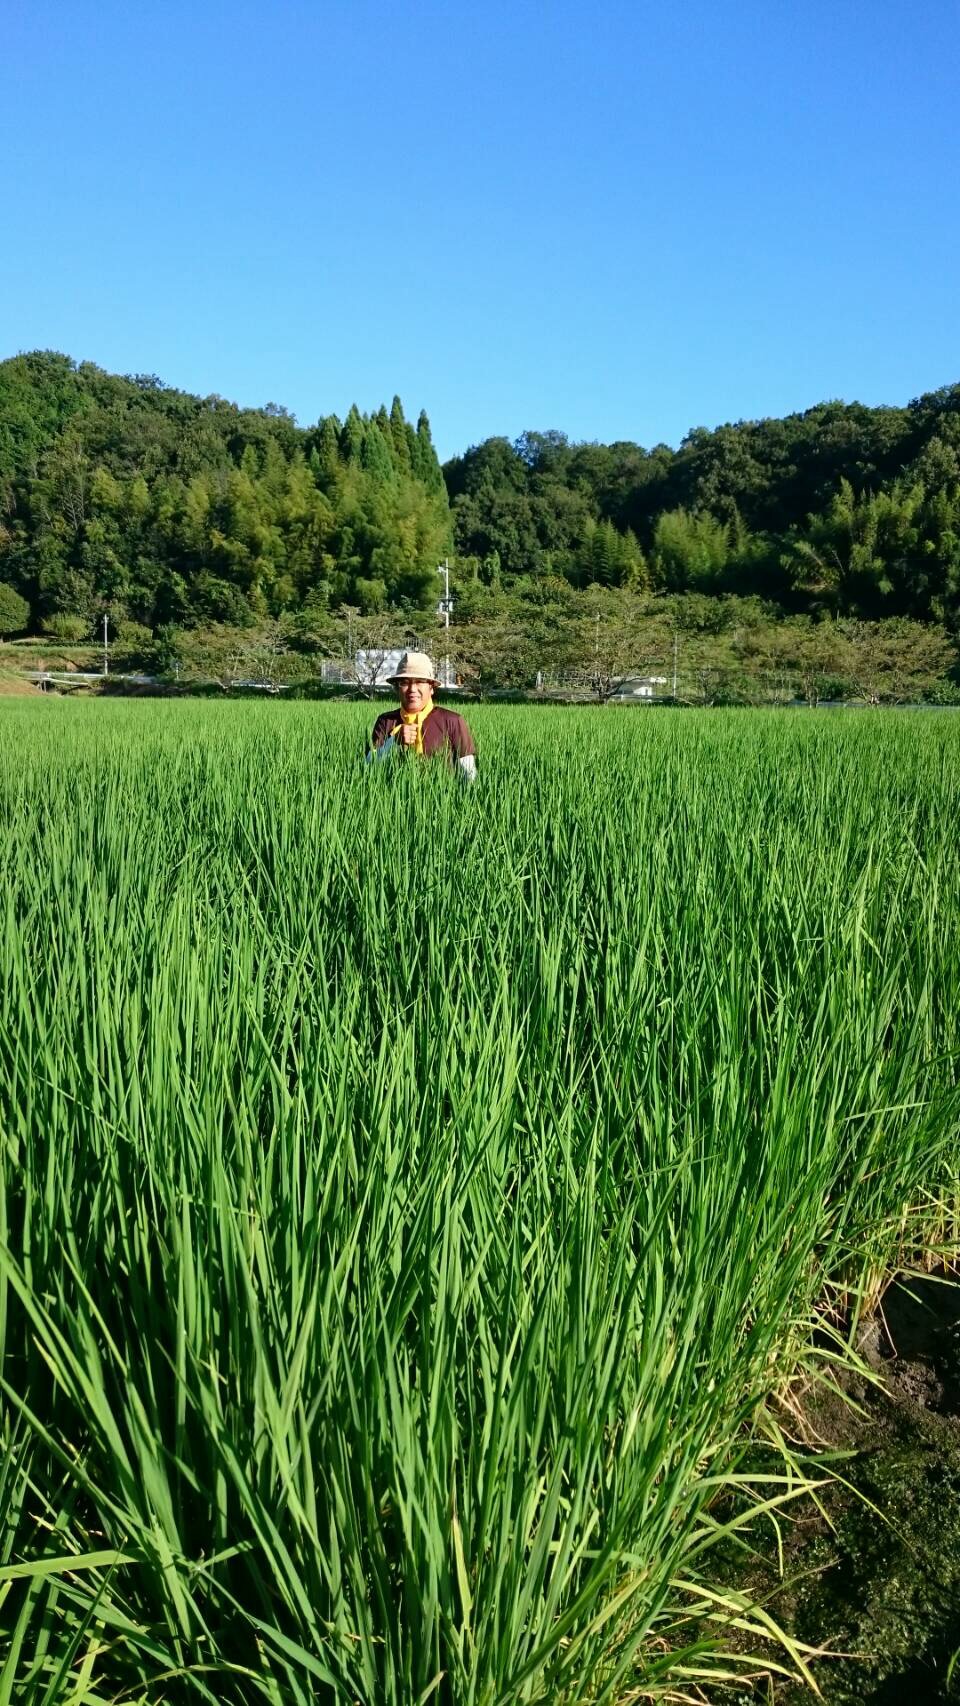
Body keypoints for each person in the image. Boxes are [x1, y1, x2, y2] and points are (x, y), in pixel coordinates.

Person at [368, 651, 477, 782]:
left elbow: (469, 774)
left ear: (431, 688)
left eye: (420, 681)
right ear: (397, 689)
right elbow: (368, 765)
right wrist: (393, 743)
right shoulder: (386, 721)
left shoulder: (452, 721)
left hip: (442, 798)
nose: (412, 689)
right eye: (405, 683)